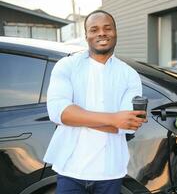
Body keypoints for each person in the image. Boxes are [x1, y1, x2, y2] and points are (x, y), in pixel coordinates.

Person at [43, 10, 147, 194]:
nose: (101, 33)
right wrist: (114, 119)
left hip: (110, 172)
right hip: (70, 170)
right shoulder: (66, 66)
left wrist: (77, 116)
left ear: (115, 32)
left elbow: (127, 125)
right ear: (86, 36)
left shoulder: (129, 75)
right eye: (94, 29)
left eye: (107, 28)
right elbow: (59, 112)